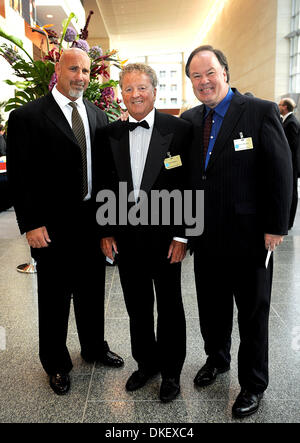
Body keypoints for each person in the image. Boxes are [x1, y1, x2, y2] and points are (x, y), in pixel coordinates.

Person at [181, 45, 293, 418]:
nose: (203, 81)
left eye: (209, 73)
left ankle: (253, 383)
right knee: (211, 309)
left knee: (252, 313)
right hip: (206, 237)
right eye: (196, 76)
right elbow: (186, 177)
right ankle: (217, 359)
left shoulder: (258, 111)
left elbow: (281, 172)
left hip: (250, 237)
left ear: (225, 72)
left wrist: (277, 227)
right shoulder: (191, 120)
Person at [6, 48, 123, 396]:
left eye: (86, 71)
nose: (81, 77)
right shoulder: (28, 116)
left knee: (92, 292)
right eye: (74, 69)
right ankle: (56, 363)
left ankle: (93, 347)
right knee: (55, 298)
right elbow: (20, 176)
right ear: (58, 69)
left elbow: (105, 177)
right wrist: (30, 223)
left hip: (91, 222)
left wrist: (108, 228)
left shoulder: (98, 116)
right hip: (51, 226)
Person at [96, 63, 192, 402]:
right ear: (121, 94)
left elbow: (189, 184)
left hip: (167, 239)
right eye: (128, 89)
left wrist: (183, 235)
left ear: (155, 90)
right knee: (137, 306)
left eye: (142, 88)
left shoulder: (180, 130)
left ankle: (171, 372)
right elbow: (105, 184)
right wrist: (106, 232)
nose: (135, 94)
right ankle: (146, 363)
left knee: (169, 307)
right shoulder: (110, 133)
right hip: (127, 238)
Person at [278, 97, 300, 229]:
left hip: (292, 163)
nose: (278, 106)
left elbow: (292, 146)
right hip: (289, 162)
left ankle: (289, 222)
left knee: (292, 192)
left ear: (285, 107)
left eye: (280, 104)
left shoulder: (291, 122)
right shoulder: (287, 120)